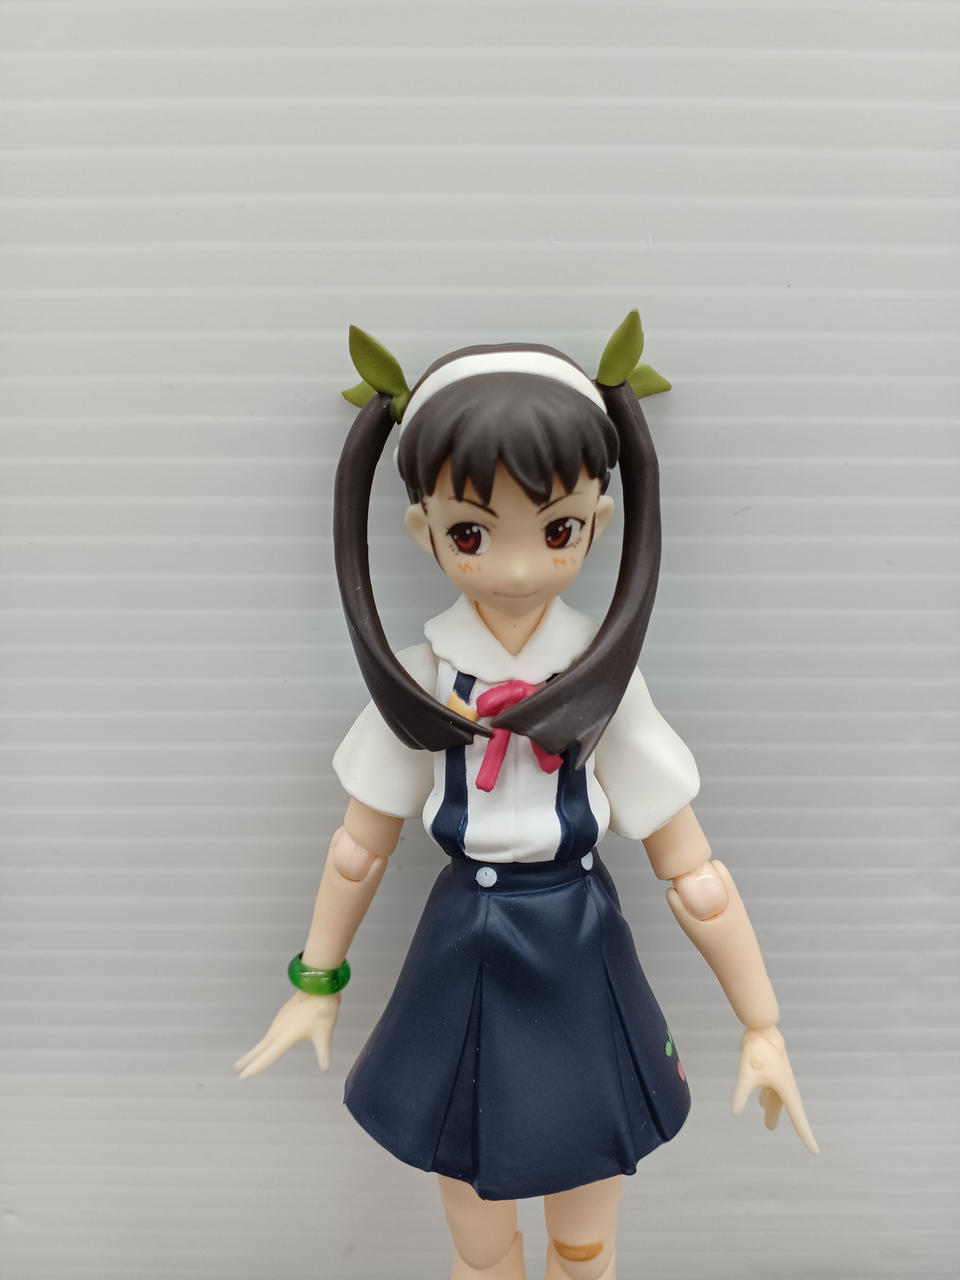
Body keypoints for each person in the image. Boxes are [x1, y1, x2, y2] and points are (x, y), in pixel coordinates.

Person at [235, 317, 817, 1280]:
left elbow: (694, 874)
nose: (515, 568)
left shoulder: (605, 683)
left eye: (556, 531)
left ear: (600, 522)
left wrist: (763, 1022)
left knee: (585, 1233)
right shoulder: (422, 681)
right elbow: (358, 848)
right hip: (461, 950)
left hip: (576, 946)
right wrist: (316, 982)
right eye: (472, 532)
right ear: (424, 532)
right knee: (476, 1232)